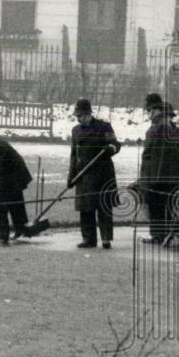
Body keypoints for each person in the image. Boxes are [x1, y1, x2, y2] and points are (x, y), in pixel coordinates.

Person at [69, 99, 121, 249]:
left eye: (81, 115)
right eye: (77, 116)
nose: (79, 119)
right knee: (86, 208)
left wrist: (111, 148)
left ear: (88, 114)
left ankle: (106, 238)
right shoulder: (76, 130)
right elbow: (73, 154)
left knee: (103, 206)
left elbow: (116, 145)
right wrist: (71, 177)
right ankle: (89, 239)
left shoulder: (104, 127)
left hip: (103, 172)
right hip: (84, 174)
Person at [137, 100, 179, 245]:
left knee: (163, 203)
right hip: (155, 175)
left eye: (150, 110)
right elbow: (148, 155)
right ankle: (159, 235)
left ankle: (165, 234)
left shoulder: (173, 131)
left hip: (168, 177)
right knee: (155, 204)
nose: (148, 114)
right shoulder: (154, 130)